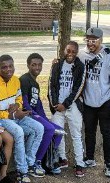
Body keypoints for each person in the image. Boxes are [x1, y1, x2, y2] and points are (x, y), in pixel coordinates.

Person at [0, 54, 44, 183]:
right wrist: (11, 115)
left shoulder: (15, 80)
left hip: (15, 116)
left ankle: (29, 163)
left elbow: (19, 99)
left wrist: (17, 105)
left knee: (39, 128)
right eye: (4, 67)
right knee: (19, 132)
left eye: (11, 66)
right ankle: (21, 171)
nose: (8, 69)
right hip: (2, 119)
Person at [19, 53, 63, 174]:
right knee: (49, 129)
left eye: (39, 65)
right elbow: (24, 102)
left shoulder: (36, 84)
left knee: (59, 131)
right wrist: (38, 117)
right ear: (28, 65)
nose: (37, 67)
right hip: (27, 115)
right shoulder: (24, 80)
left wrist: (45, 119)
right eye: (34, 65)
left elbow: (38, 105)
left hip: (36, 114)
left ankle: (48, 160)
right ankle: (36, 162)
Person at [48, 41, 86, 177]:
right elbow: (51, 85)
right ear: (64, 50)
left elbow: (78, 88)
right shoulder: (57, 65)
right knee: (58, 133)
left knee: (76, 135)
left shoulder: (80, 67)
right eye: (68, 51)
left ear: (76, 53)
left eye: (73, 52)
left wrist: (66, 104)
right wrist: (54, 104)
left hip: (73, 106)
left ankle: (79, 163)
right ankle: (62, 158)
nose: (70, 54)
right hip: (58, 106)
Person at [78, 27, 110, 177]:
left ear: (100, 40)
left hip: (105, 100)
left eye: (94, 41)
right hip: (88, 101)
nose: (90, 43)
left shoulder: (108, 55)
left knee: (107, 133)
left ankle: (108, 164)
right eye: (88, 40)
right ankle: (90, 158)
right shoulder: (82, 54)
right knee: (89, 131)